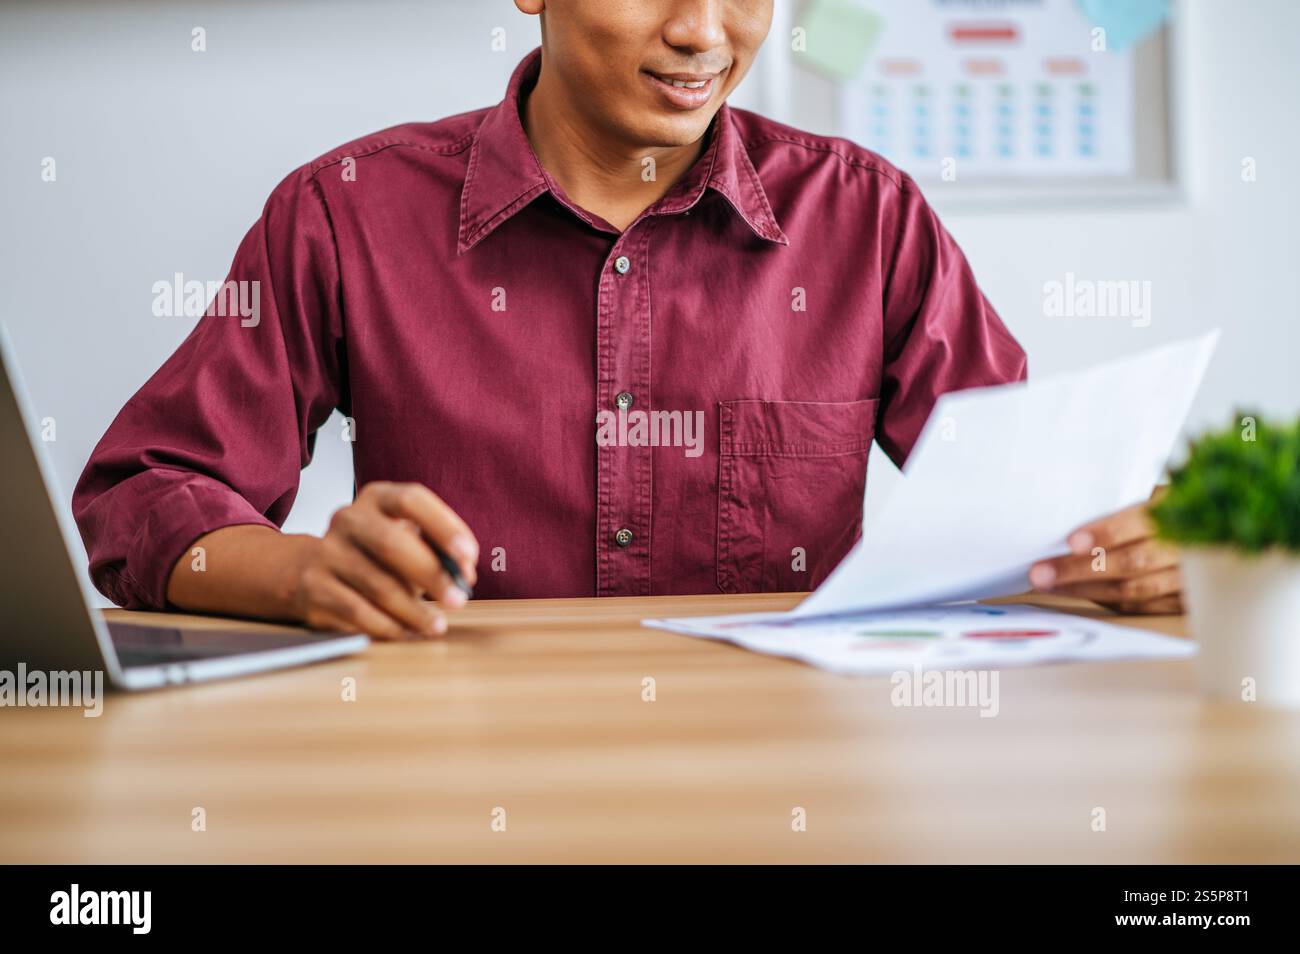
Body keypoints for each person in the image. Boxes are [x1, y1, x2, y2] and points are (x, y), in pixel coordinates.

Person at [73, 1, 1184, 640]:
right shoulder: (346, 214)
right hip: (453, 782)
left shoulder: (869, 220)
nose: (703, 30)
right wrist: (300, 573)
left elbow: (1038, 505)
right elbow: (142, 494)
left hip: (793, 791)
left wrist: (1141, 550)